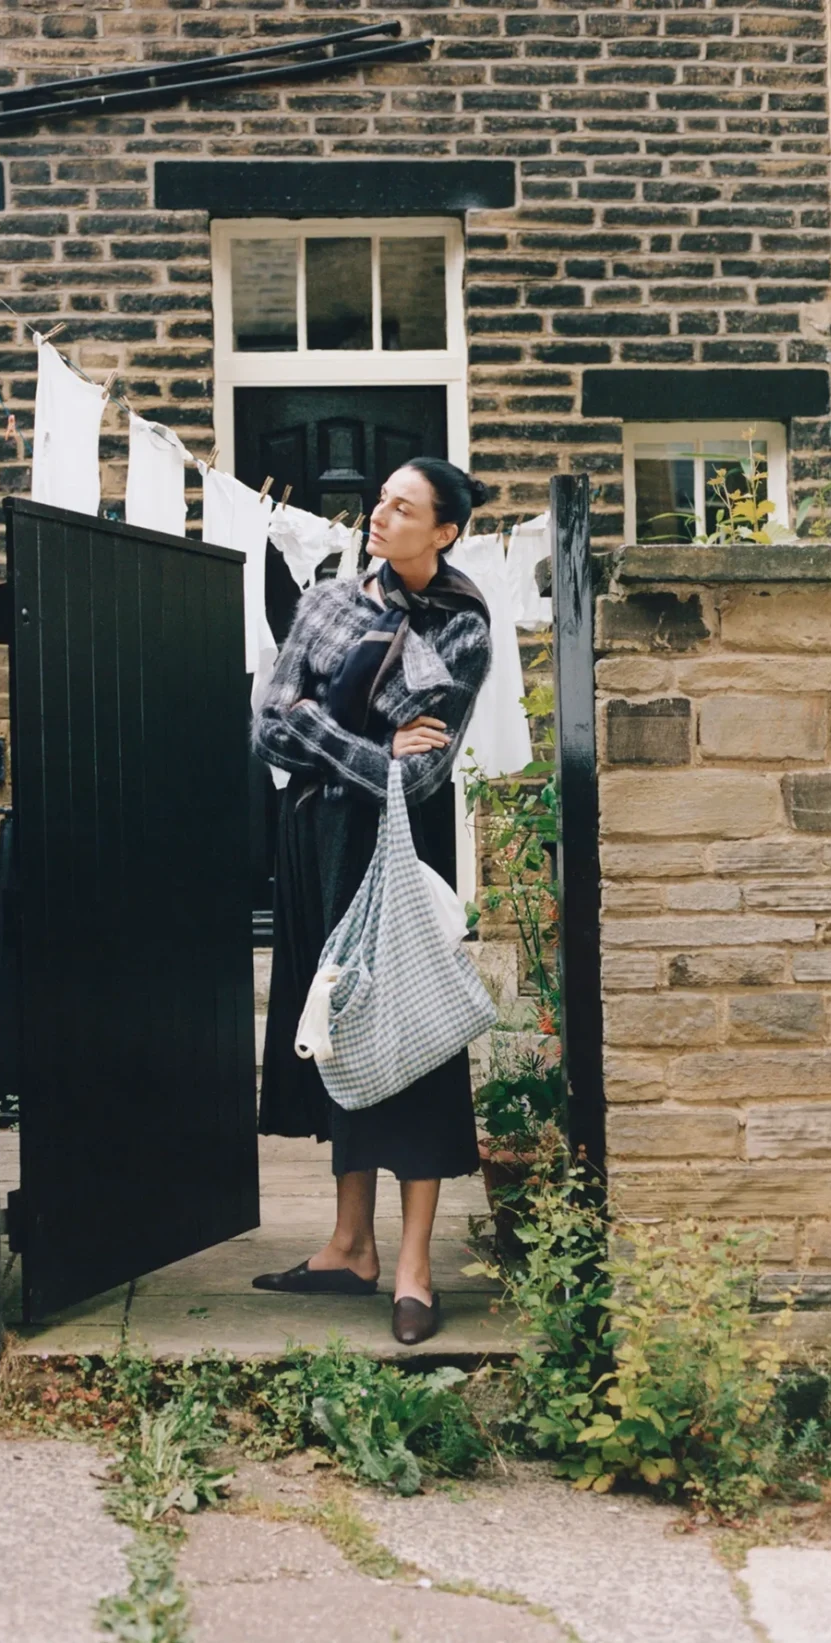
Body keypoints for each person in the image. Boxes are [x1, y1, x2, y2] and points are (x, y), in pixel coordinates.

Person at [250, 457, 494, 1346]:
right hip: (316, 841)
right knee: (338, 1026)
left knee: (412, 1039)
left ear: (445, 531)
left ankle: (415, 1264)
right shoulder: (325, 601)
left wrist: (335, 728)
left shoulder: (461, 625)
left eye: (404, 507)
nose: (380, 516)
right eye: (381, 502)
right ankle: (350, 1244)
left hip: (398, 847)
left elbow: (425, 773)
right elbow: (271, 719)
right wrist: (369, 743)